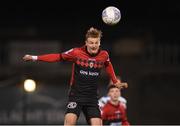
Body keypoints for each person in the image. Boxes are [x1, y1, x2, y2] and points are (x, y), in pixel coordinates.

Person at [22, 27, 127, 125]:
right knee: (69, 123)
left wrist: (114, 80)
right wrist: (34, 57)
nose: (94, 45)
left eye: (96, 43)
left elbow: (108, 65)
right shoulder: (76, 53)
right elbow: (57, 57)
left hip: (92, 98)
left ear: (99, 43)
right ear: (86, 43)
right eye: (91, 43)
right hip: (76, 95)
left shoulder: (104, 55)